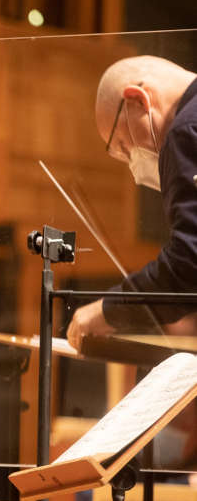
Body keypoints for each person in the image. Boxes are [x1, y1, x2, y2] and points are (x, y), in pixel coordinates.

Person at [67, 56, 197, 350]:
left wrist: (106, 311)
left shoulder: (185, 131)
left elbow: (190, 263)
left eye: (124, 147)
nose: (133, 166)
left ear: (137, 99)